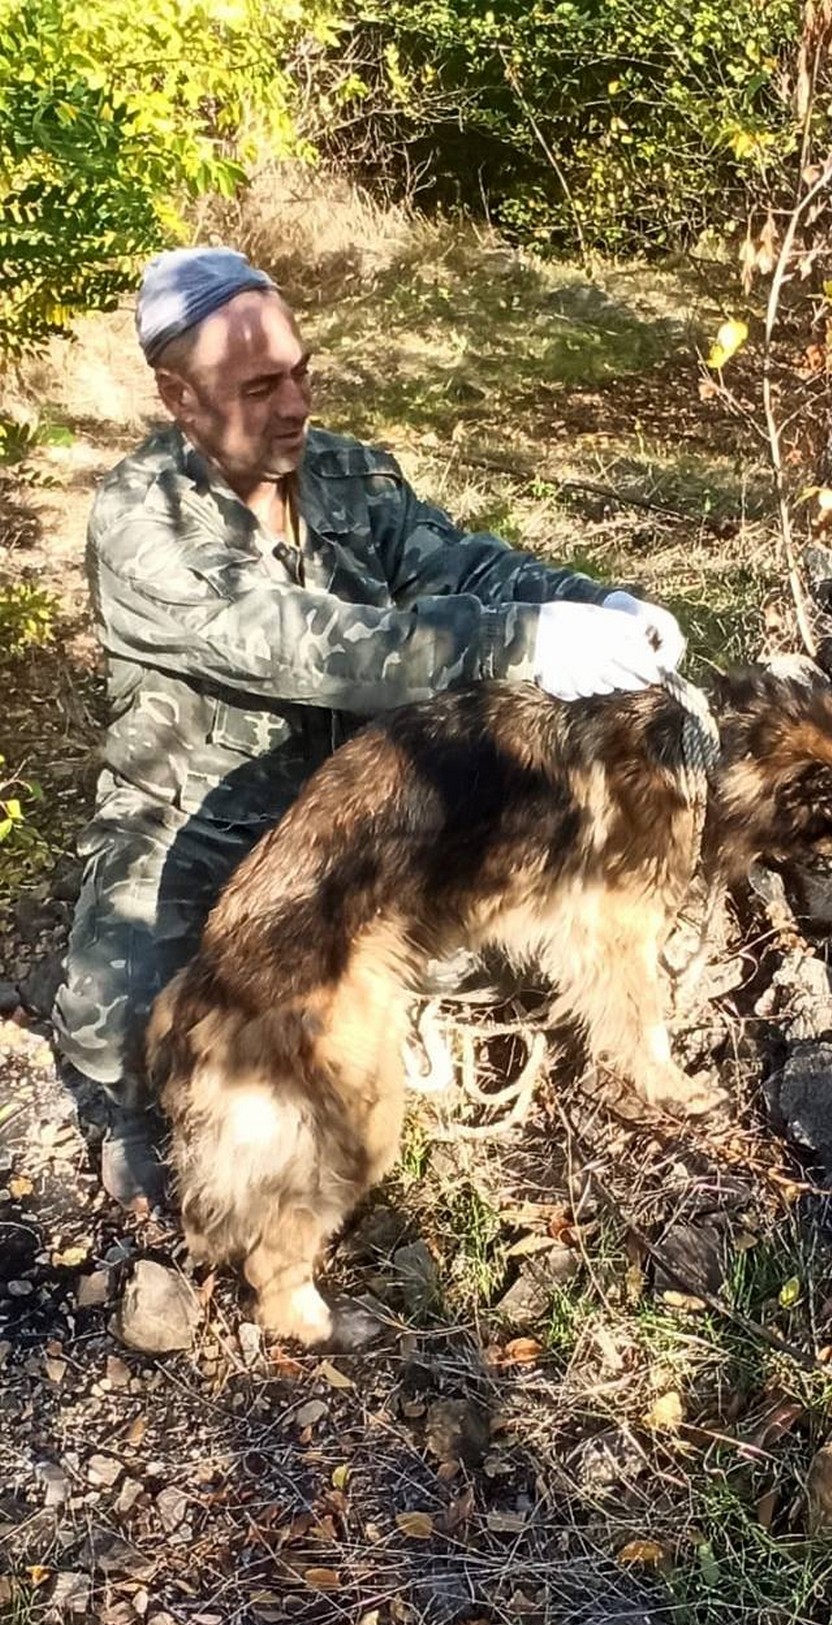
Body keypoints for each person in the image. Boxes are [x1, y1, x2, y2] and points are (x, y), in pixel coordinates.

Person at [53, 246, 686, 1204]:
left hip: (355, 830)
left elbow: (464, 567)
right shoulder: (141, 521)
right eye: (259, 386)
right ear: (179, 399)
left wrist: (596, 602)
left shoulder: (348, 474)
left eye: (302, 372)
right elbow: (313, 644)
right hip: (201, 834)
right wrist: (523, 640)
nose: (296, 404)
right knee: (138, 1043)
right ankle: (147, 1109)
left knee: (499, 942)